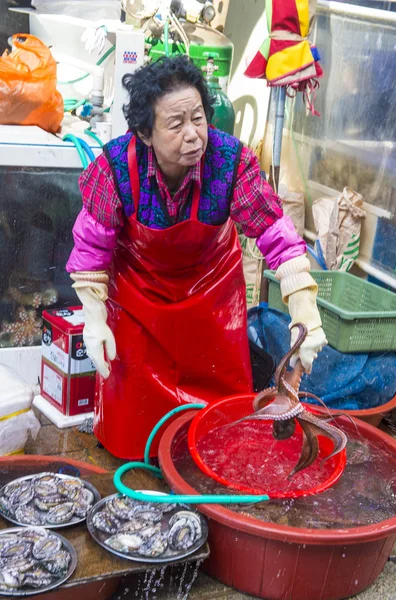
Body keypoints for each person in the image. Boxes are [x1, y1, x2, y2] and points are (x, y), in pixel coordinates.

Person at [67, 55, 327, 459]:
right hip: (138, 302)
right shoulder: (116, 167)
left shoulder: (231, 162)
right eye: (176, 123)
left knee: (219, 433)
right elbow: (91, 245)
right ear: (145, 133)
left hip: (213, 301)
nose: (193, 135)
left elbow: (275, 231)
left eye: (199, 118)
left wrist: (304, 306)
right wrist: (94, 316)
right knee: (135, 429)